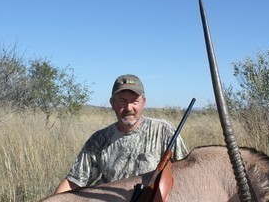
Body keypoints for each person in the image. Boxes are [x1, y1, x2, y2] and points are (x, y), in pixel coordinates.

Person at [54, 74, 188, 194]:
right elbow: (74, 182)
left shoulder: (164, 130)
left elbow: (185, 173)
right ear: (112, 103)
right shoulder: (99, 139)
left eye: (135, 101)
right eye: (122, 101)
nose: (129, 108)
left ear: (143, 103)